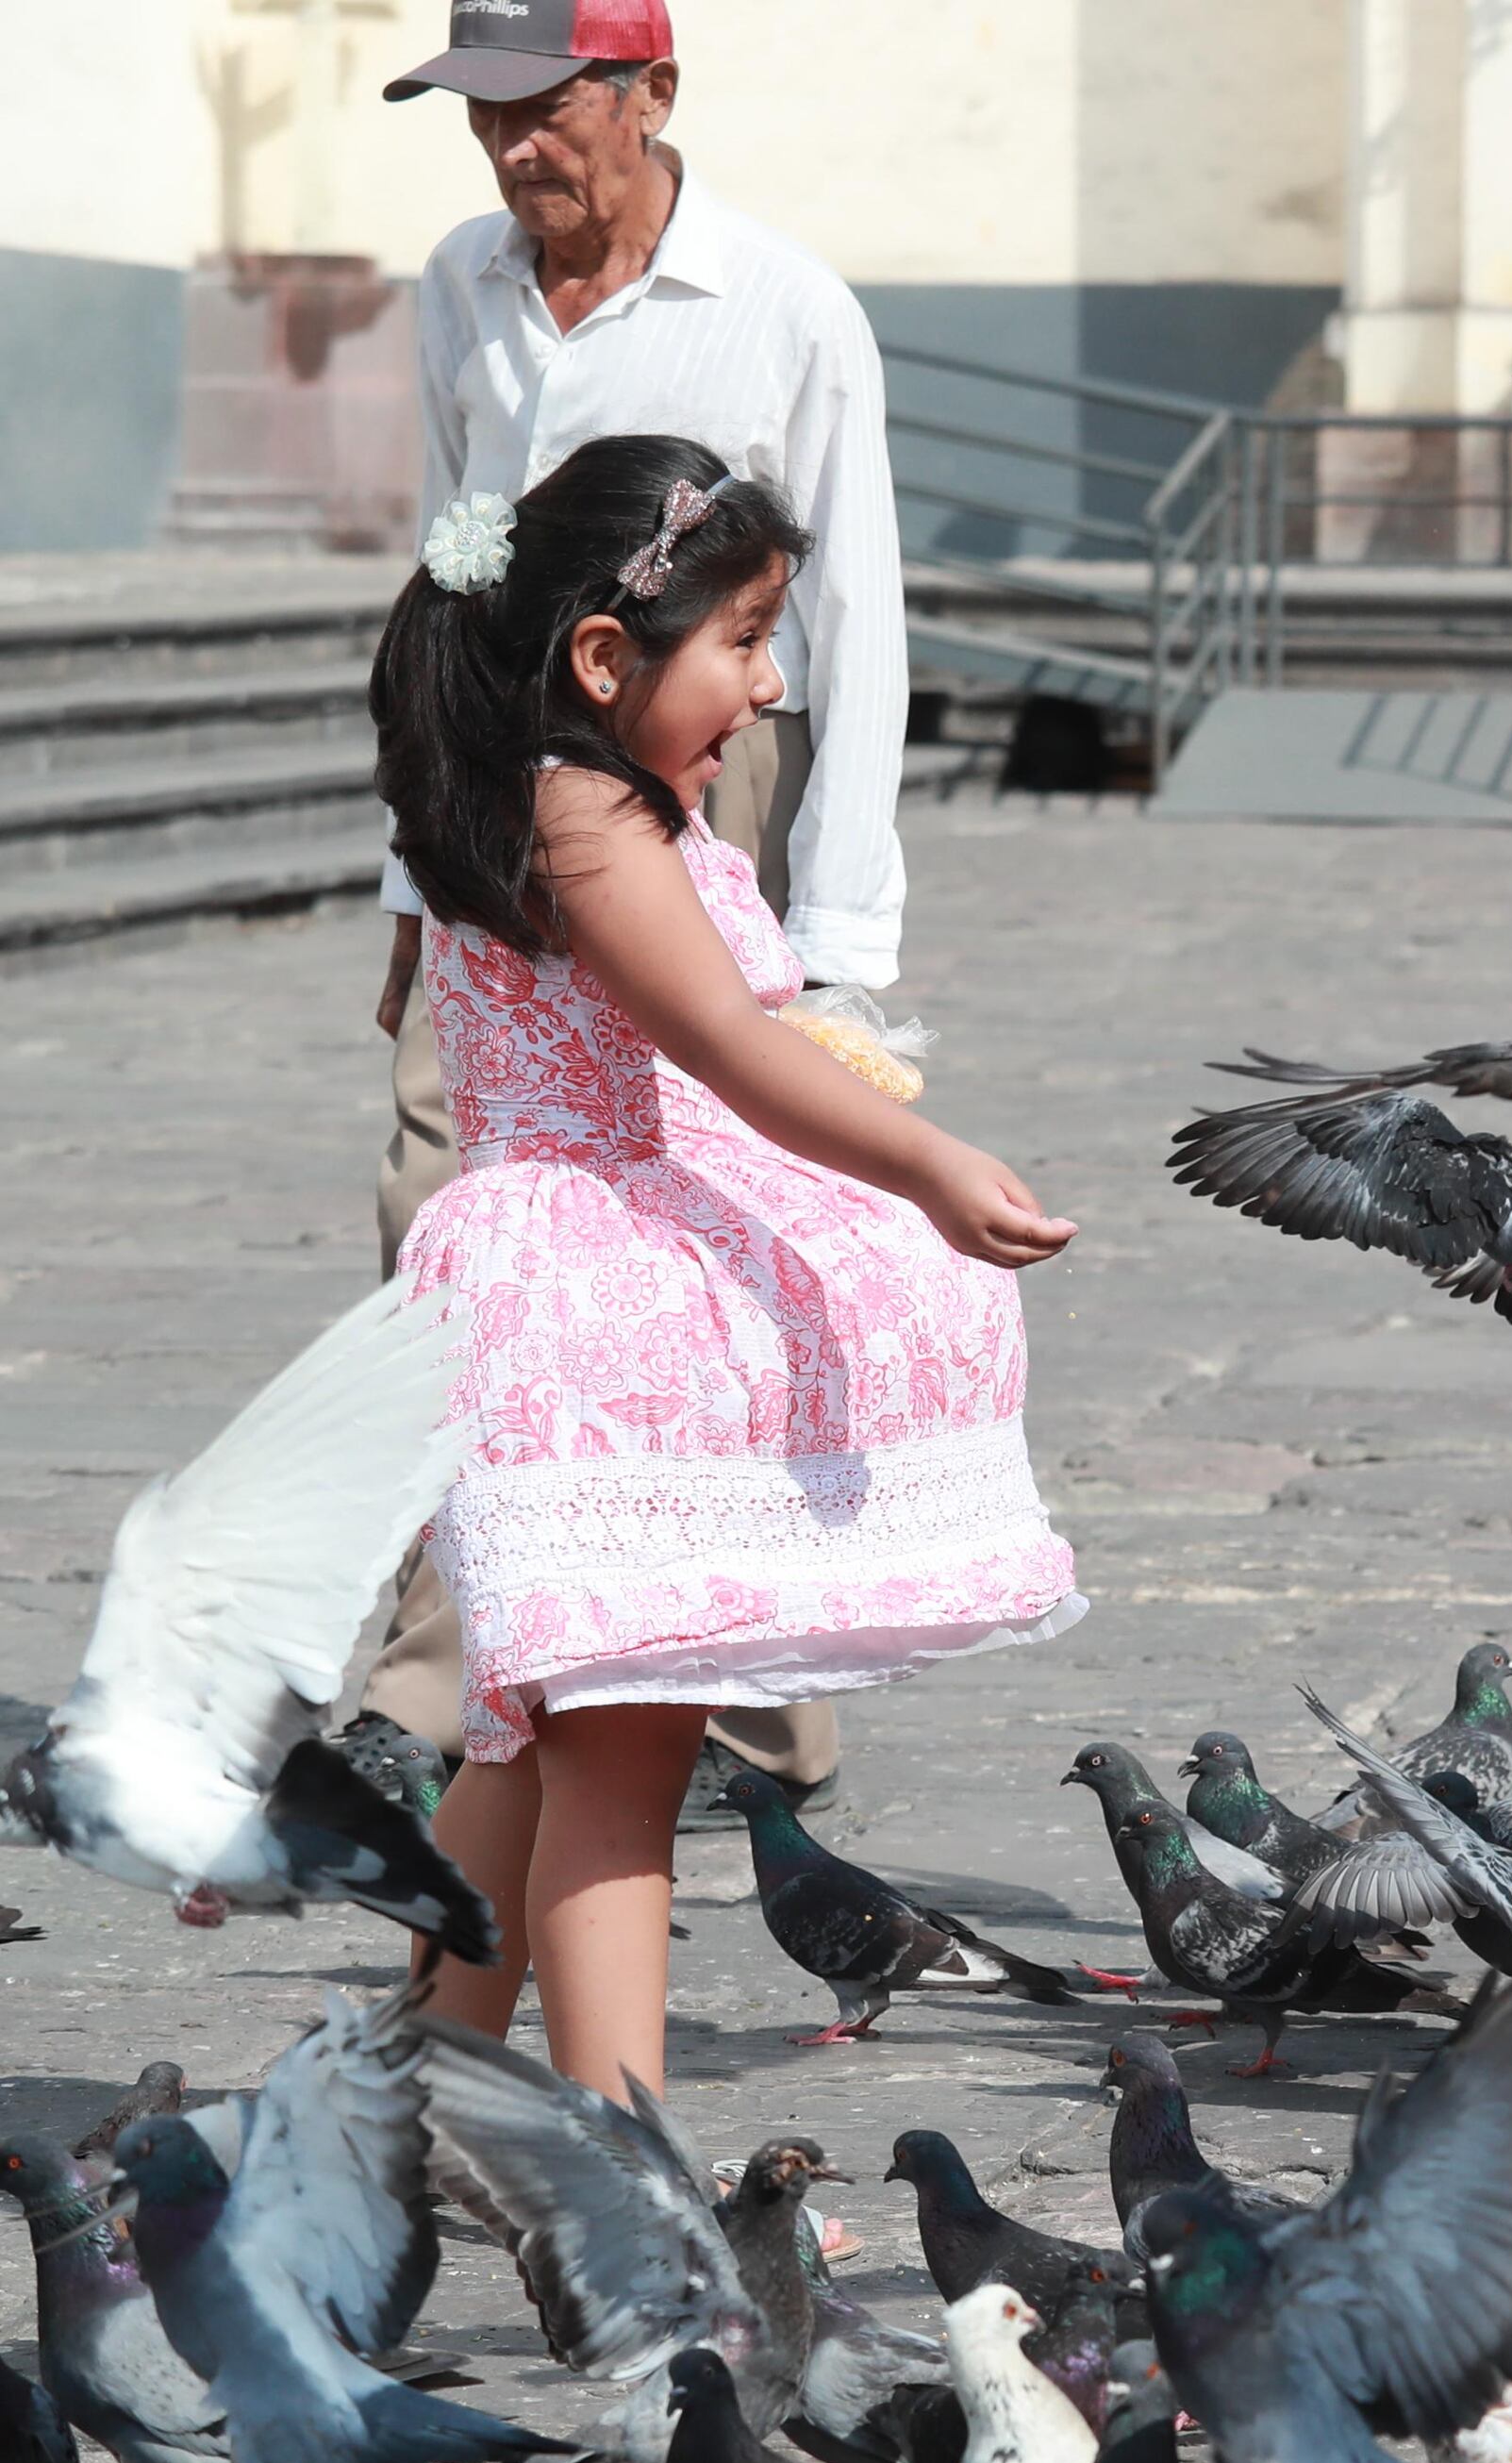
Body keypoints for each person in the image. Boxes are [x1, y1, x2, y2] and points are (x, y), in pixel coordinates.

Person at [376, 435, 1076, 2107]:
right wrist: (925, 1160)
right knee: (621, 1778)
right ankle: (622, 2179)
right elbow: (726, 1051)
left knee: (533, 1742)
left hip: (607, 1281)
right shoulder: (583, 807)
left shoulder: (581, 792)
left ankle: (403, 2109)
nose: (768, 685)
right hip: (605, 1312)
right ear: (606, 658)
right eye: (745, 640)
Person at [357, 0, 912, 1811]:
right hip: (495, 790)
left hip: (707, 777)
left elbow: (856, 629)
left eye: (549, 110)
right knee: (454, 1207)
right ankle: (443, 1672)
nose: (518, 153)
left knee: (710, 1206)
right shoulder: (462, 281)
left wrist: (842, 942)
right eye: (486, 118)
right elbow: (453, 552)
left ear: (653, 94)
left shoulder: (783, 304)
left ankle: (760, 1674)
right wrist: (410, 867)